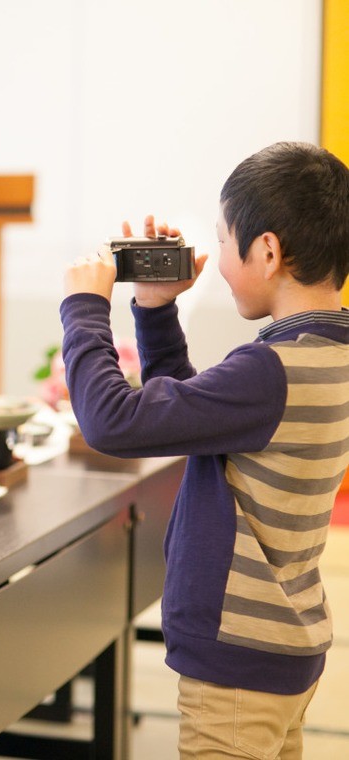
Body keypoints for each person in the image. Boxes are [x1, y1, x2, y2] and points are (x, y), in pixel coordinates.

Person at [60, 142, 349, 758]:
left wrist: (85, 306)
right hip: (285, 645)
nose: (216, 261)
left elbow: (111, 422)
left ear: (266, 251)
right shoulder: (327, 353)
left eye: (222, 242)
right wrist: (156, 309)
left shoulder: (270, 370)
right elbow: (203, 420)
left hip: (238, 664)